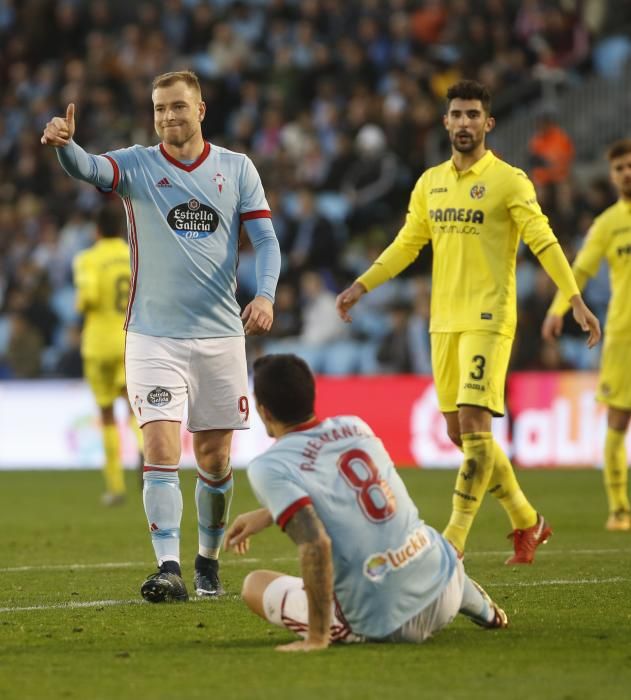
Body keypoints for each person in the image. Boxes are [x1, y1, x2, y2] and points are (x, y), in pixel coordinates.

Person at [335, 80, 601, 564]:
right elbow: (407, 243)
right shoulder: (430, 182)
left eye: (473, 115)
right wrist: (363, 284)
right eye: (456, 115)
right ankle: (527, 520)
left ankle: (452, 542)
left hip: (488, 318)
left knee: (476, 427)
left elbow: (543, 240)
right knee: (461, 435)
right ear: (445, 122)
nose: (464, 123)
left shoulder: (510, 180)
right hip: (443, 322)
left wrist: (574, 298)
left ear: (488, 123)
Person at [41, 70, 281, 601]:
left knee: (215, 460)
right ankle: (168, 566)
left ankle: (208, 561)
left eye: (177, 106)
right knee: (160, 447)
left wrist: (264, 294)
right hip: (152, 337)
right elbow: (86, 168)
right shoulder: (136, 164)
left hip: (220, 337)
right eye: (159, 108)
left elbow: (266, 239)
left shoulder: (237, 169)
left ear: (201, 110)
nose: (168, 116)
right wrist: (66, 144)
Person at [225, 354, 507, 651]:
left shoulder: (269, 466)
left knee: (254, 584)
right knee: (411, 531)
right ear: (313, 394)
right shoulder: (355, 426)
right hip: (447, 579)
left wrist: (317, 637)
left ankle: (329, 627)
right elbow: (341, 491)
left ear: (264, 411)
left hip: (389, 622)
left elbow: (316, 544)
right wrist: (270, 513)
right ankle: (480, 606)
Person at [543, 139, 631, 532]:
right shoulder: (608, 224)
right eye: (619, 168)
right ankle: (619, 510)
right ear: (612, 176)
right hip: (624, 337)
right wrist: (557, 309)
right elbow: (577, 271)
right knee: (618, 419)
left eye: (630, 165)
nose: (626, 173)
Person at [72, 206, 143, 506]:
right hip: (128, 341)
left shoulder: (87, 259)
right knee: (134, 409)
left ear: (96, 230)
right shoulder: (133, 255)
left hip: (97, 344)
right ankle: (145, 455)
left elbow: (85, 300)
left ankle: (115, 487)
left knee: (106, 414)